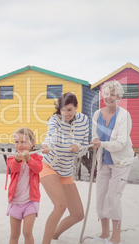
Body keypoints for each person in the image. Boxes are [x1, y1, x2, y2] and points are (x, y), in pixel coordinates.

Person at [40, 92, 90, 244]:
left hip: (66, 171)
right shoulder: (54, 120)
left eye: (69, 109)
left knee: (78, 214)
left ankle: (54, 234)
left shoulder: (84, 120)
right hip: (48, 166)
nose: (65, 113)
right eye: (62, 110)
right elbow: (51, 135)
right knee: (60, 205)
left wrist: (79, 148)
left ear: (76, 107)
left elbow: (85, 145)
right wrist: (47, 145)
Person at [90, 80, 134, 244]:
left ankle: (116, 237)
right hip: (103, 162)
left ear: (119, 97)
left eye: (113, 94)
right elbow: (95, 134)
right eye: (107, 94)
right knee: (101, 196)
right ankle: (104, 233)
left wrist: (101, 144)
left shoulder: (124, 116)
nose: (109, 97)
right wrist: (95, 140)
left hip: (120, 162)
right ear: (103, 95)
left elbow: (121, 143)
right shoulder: (96, 114)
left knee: (113, 198)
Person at [6, 128, 43, 244]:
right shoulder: (12, 158)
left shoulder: (37, 158)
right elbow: (13, 169)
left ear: (32, 143)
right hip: (15, 201)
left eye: (23, 142)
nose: (19, 145)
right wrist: (18, 160)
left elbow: (38, 169)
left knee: (27, 232)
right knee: (14, 234)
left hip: (30, 201)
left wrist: (29, 159)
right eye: (17, 142)